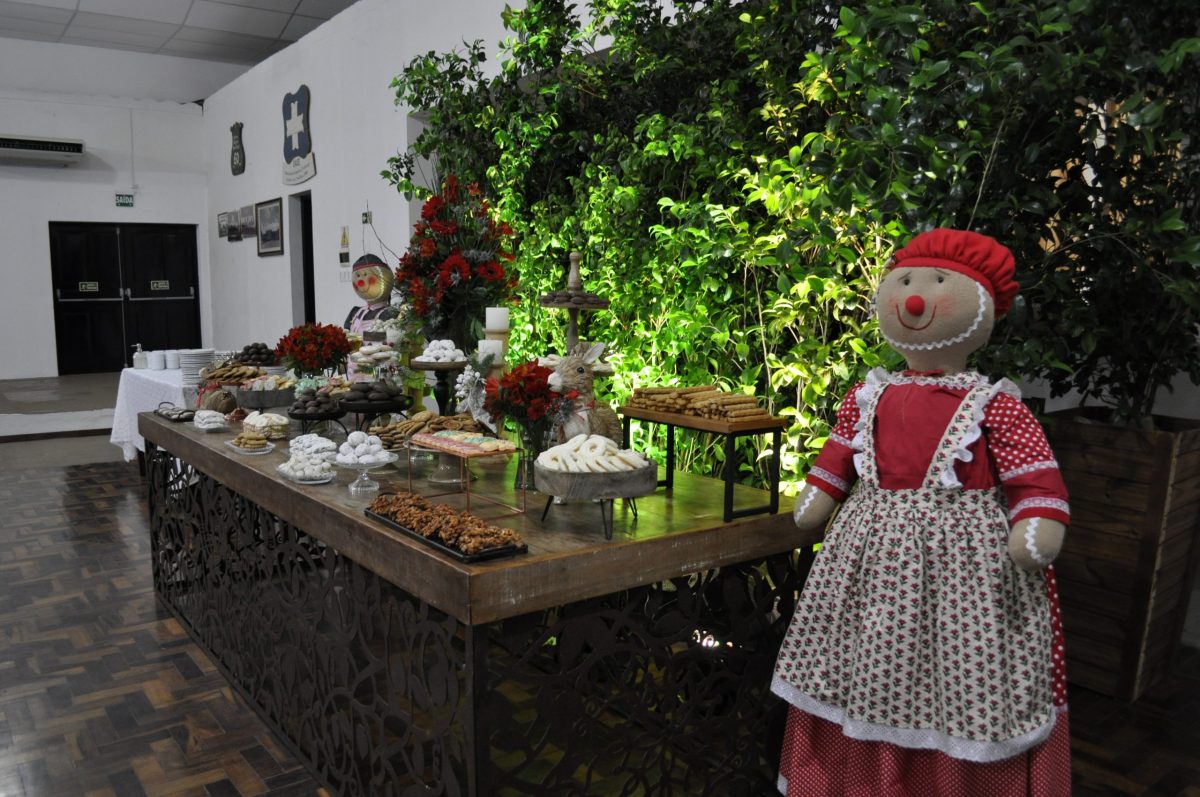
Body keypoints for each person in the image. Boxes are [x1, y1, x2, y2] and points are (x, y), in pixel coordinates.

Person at [772, 228, 1071, 796]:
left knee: (961, 672)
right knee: (858, 662)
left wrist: (1037, 520)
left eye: (936, 282)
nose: (914, 298)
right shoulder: (868, 396)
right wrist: (821, 489)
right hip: (868, 563)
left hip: (965, 569)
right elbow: (839, 456)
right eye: (906, 281)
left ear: (982, 308)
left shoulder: (995, 406)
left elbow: (1034, 476)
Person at [343, 253, 398, 334]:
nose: (360, 280)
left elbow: (391, 338)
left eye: (365, 274)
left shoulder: (389, 314)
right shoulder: (355, 313)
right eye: (358, 276)